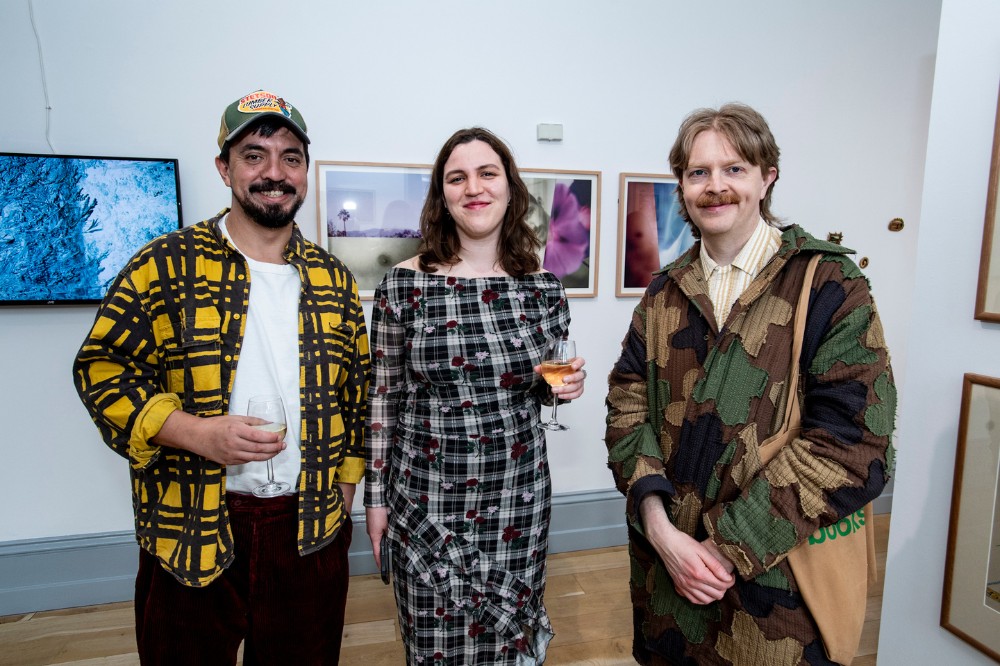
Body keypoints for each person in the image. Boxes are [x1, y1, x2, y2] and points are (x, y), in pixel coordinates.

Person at [72, 89, 369, 665]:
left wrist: (346, 487)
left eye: (291, 157)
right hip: (192, 521)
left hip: (310, 526)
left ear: (306, 171)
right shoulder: (164, 264)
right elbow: (102, 370)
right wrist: (198, 434)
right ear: (224, 167)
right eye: (254, 155)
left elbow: (356, 393)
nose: (274, 173)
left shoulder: (334, 279)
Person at [604, 103, 896, 665]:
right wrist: (664, 534)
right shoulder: (664, 292)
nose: (716, 186)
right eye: (698, 173)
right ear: (683, 189)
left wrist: (720, 550)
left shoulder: (829, 283)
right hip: (667, 587)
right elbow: (626, 404)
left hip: (777, 596)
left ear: (768, 177)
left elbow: (854, 442)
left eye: (734, 169)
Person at [364, 127, 587, 665]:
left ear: (510, 188)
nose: (474, 188)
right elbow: (382, 398)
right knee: (433, 644)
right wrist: (375, 498)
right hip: (428, 498)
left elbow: (542, 387)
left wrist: (563, 388)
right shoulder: (403, 285)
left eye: (487, 174)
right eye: (457, 177)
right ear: (442, 195)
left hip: (518, 495)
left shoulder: (543, 288)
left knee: (508, 647)